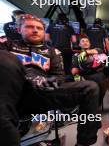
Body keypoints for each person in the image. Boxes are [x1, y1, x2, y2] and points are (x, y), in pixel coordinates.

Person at [0, 14, 100, 146]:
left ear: (44, 32)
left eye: (39, 28)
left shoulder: (53, 52)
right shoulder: (7, 45)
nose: (35, 30)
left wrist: (52, 81)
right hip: (11, 92)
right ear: (19, 30)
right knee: (6, 59)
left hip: (41, 92)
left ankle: (84, 142)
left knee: (91, 88)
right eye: (30, 27)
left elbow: (60, 77)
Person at [71, 36, 108, 104]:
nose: (85, 42)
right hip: (85, 76)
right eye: (83, 41)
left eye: (87, 41)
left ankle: (97, 103)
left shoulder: (97, 50)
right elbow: (74, 71)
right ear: (79, 44)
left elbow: (97, 51)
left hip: (99, 75)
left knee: (101, 79)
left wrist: (85, 52)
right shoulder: (76, 56)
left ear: (90, 44)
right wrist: (77, 77)